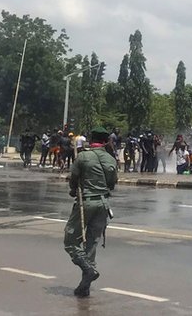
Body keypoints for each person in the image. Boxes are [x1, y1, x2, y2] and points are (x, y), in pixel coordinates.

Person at [64, 125, 117, 298]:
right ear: (105, 141)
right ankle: (85, 286)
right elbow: (112, 184)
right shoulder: (111, 159)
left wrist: (73, 190)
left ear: (92, 139)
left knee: (71, 240)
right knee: (92, 244)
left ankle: (88, 269)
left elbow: (73, 180)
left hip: (86, 202)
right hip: (103, 203)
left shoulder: (83, 156)